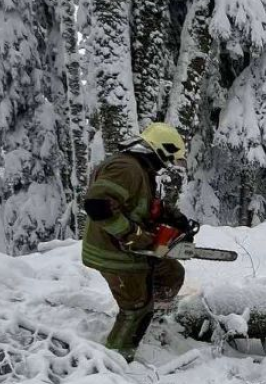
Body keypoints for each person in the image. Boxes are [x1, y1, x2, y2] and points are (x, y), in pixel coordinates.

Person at [81, 122, 198, 362]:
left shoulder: (140, 169)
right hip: (113, 252)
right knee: (136, 309)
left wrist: (173, 218)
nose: (169, 164)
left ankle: (153, 323)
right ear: (161, 149)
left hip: (129, 249)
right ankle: (115, 359)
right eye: (170, 158)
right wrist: (132, 234)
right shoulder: (126, 168)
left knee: (171, 273)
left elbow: (142, 205)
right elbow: (97, 205)